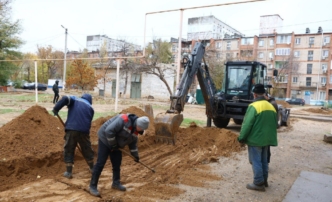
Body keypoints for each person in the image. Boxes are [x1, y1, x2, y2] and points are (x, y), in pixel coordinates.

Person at [89, 114, 150, 197]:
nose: (141, 131)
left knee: (117, 163)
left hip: (116, 144)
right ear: (138, 125)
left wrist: (135, 155)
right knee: (100, 163)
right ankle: (92, 186)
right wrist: (113, 145)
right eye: (141, 128)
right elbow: (108, 131)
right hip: (105, 139)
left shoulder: (136, 130)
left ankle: (116, 183)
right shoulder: (124, 120)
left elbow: (133, 144)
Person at [238, 84, 278, 192]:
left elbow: (247, 124)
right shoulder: (271, 106)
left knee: (255, 161)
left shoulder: (254, 106)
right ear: (264, 94)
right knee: (264, 160)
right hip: (267, 139)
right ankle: (264, 181)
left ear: (254, 94)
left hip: (256, 139)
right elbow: (275, 124)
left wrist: (241, 138)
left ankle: (258, 183)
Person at [52, 94, 95, 179]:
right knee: (87, 148)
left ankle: (69, 172)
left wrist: (56, 108)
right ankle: (92, 168)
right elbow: (88, 122)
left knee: (69, 148)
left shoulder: (75, 99)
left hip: (72, 128)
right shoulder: (91, 108)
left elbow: (64, 98)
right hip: (84, 130)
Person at [264, 93, 279, 164]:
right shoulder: (271, 102)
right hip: (270, 126)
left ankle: (266, 162)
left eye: (264, 96)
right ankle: (266, 162)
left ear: (267, 96)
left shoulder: (271, 104)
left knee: (266, 147)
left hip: (269, 127)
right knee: (267, 146)